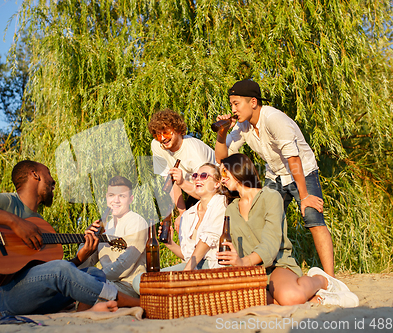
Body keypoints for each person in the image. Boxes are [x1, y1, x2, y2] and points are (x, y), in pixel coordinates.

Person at [0, 160, 140, 317]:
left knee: (92, 273)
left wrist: (79, 258)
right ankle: (134, 303)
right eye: (49, 174)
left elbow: (45, 275)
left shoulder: (41, 225)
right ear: (35, 174)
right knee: (63, 270)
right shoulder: (7, 202)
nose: (54, 181)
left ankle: (83, 314)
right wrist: (13, 222)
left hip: (24, 294)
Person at [215, 79, 335, 277]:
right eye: (231, 105)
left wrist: (304, 196)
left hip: (301, 171)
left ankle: (330, 279)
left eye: (236, 103)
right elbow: (222, 159)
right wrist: (222, 132)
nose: (233, 109)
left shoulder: (273, 119)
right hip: (275, 173)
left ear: (253, 102)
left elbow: (293, 158)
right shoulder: (243, 127)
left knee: (313, 217)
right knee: (263, 220)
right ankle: (270, 270)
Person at [216, 154, 358, 307]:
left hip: (277, 265)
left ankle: (322, 280)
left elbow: (271, 244)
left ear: (238, 169)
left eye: (224, 172)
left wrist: (244, 262)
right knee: (241, 301)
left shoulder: (270, 197)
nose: (222, 178)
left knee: (290, 297)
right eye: (220, 175)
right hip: (251, 272)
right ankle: (317, 299)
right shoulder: (230, 209)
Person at [131, 163, 228, 295]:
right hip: (191, 267)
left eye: (204, 176)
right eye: (195, 176)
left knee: (174, 285)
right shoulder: (188, 215)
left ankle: (179, 293)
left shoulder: (221, 203)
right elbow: (188, 255)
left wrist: (185, 274)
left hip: (212, 267)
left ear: (217, 183)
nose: (198, 179)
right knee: (140, 281)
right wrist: (170, 244)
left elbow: (206, 242)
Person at [74, 176, 148, 299]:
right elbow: (86, 263)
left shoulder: (136, 222)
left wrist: (95, 278)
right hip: (106, 282)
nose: (116, 200)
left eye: (122, 196)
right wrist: (86, 241)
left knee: (87, 290)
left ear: (131, 199)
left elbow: (125, 264)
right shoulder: (104, 228)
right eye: (112, 195)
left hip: (127, 286)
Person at [148, 109, 216, 232]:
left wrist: (182, 183)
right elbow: (170, 181)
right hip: (193, 188)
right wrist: (182, 213)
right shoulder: (156, 146)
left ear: (178, 130)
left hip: (217, 189)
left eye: (166, 133)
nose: (162, 138)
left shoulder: (194, 152)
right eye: (158, 134)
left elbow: (208, 194)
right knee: (186, 223)